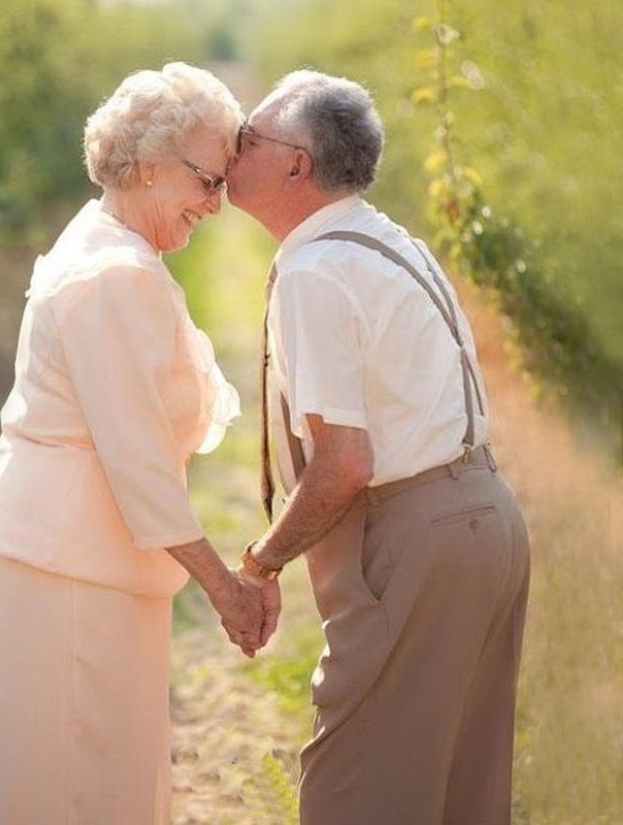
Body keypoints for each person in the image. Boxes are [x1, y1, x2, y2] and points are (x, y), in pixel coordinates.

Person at [0, 62, 277, 825]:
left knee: (70, 777)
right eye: (208, 180)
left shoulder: (110, 245)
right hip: (63, 562)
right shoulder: (113, 274)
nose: (216, 205)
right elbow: (137, 464)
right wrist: (225, 587)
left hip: (65, 552)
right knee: (73, 781)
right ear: (151, 164)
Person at [227, 70, 531, 824]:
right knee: (459, 792)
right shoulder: (389, 241)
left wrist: (260, 563)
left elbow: (344, 464)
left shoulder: (314, 271)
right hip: (486, 517)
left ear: (296, 163)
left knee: (355, 793)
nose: (232, 148)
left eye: (248, 137)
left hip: (417, 537)